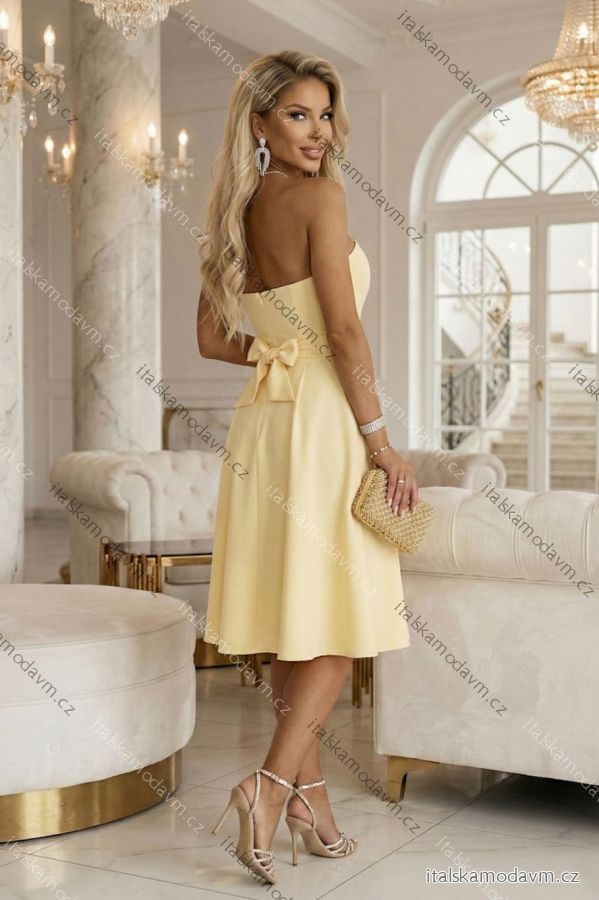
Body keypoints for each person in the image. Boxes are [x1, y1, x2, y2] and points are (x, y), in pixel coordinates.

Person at [196, 49, 418, 885]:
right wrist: (381, 443)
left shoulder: (234, 209)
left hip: (263, 424)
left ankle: (308, 798)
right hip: (321, 422)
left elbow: (212, 339)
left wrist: (273, 348)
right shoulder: (320, 199)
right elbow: (346, 332)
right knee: (340, 618)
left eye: (324, 114)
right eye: (297, 114)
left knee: (301, 616)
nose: (318, 131)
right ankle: (265, 786)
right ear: (258, 122)